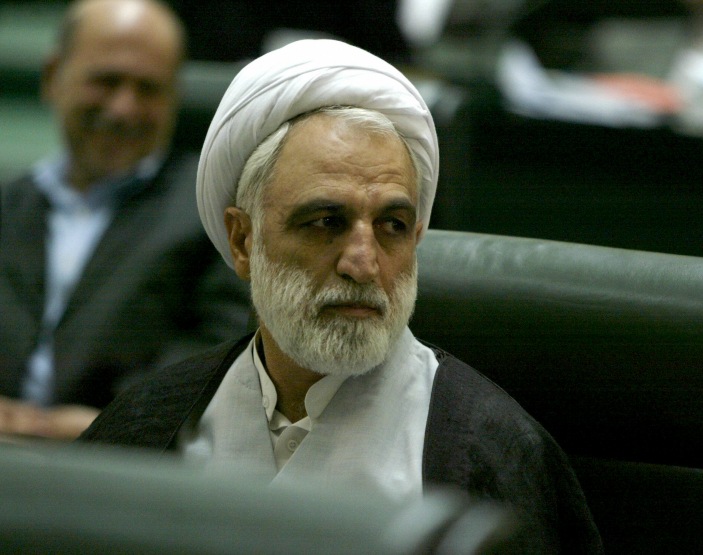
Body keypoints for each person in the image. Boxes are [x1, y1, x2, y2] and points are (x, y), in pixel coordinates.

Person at [78, 39, 603, 552]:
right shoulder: (145, 428)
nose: (364, 263)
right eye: (326, 221)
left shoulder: (487, 455)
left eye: (392, 225)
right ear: (243, 241)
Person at [0, 0, 249, 441]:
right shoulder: (9, 204)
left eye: (148, 89)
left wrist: (109, 423)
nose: (123, 109)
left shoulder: (211, 218)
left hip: (125, 464)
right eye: (106, 81)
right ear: (52, 77)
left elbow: (218, 349)